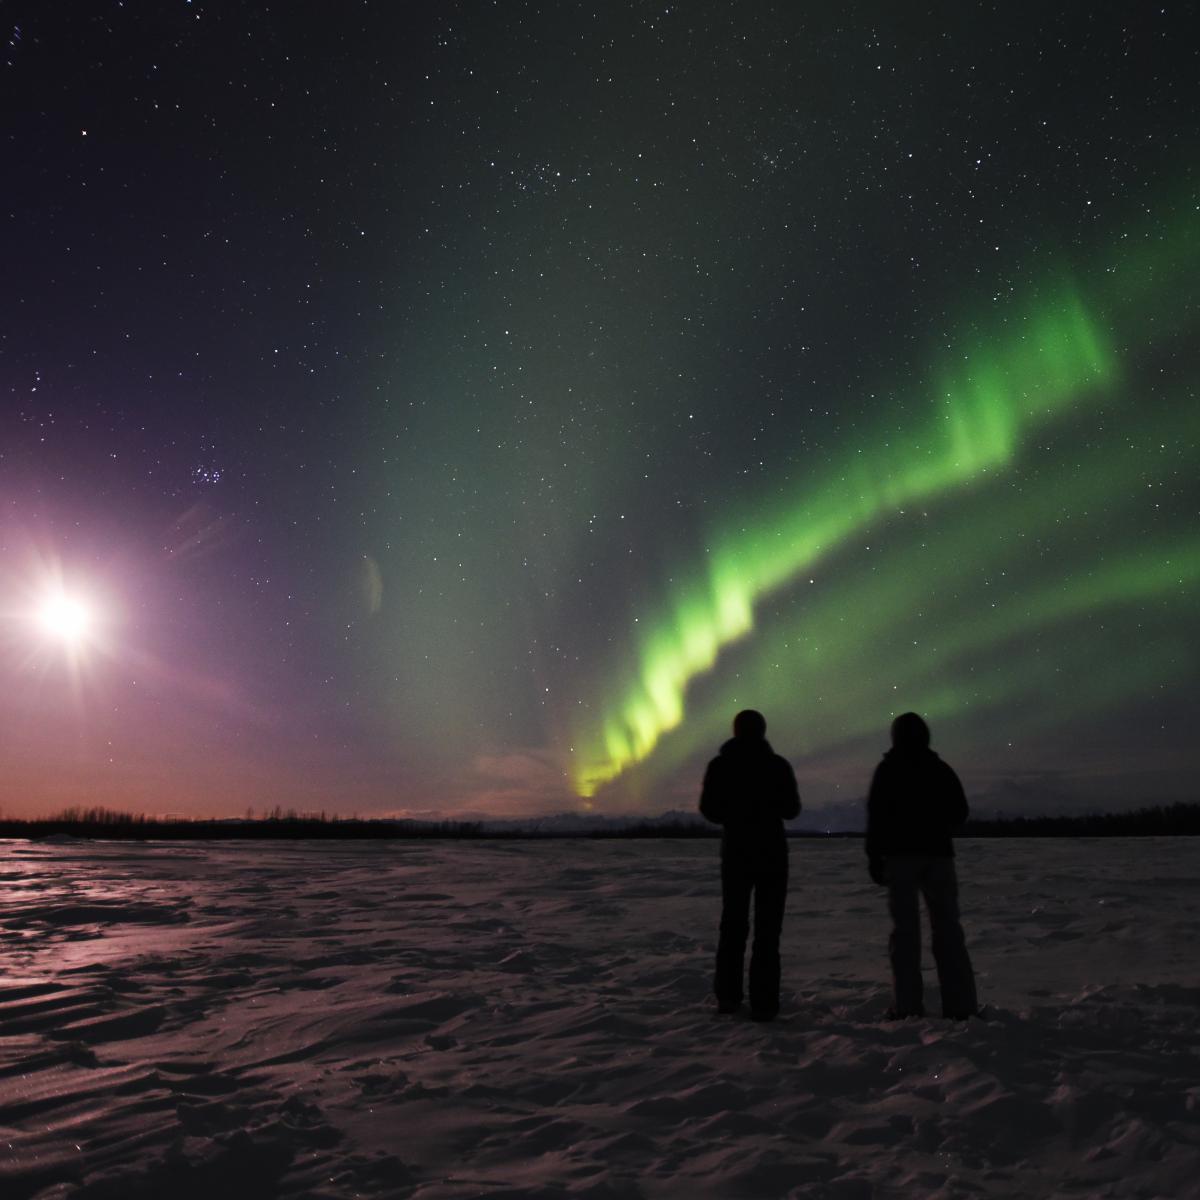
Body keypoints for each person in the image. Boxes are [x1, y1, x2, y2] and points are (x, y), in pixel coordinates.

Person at [865, 712, 978, 1020]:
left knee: (905, 934)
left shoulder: (889, 769)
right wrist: (938, 828)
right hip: (939, 857)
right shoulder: (939, 769)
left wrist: (875, 856)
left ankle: (907, 1007)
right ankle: (961, 1007)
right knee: (948, 931)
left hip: (901, 858)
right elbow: (960, 811)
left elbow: (876, 816)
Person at [699, 709, 801, 1020]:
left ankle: (728, 998)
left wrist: (734, 816)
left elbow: (709, 810)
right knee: (767, 930)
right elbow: (792, 809)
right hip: (771, 854)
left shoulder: (721, 765)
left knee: (733, 925)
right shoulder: (777, 765)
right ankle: (764, 1002)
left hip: (736, 854)